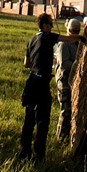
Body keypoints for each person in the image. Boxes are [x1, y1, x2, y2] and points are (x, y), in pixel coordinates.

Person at [19, 13, 64, 161]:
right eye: (50, 24)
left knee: (29, 119)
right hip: (41, 84)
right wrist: (81, 37)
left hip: (31, 82)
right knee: (43, 120)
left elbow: (26, 63)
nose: (51, 27)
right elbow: (66, 38)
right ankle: (39, 155)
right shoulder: (47, 37)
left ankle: (24, 151)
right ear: (44, 25)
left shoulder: (32, 40)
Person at [54, 18, 83, 140]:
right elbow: (64, 63)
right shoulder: (63, 44)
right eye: (73, 31)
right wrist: (79, 66)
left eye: (77, 31)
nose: (75, 34)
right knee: (66, 110)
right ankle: (61, 137)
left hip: (74, 81)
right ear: (68, 29)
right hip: (64, 81)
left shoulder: (80, 44)